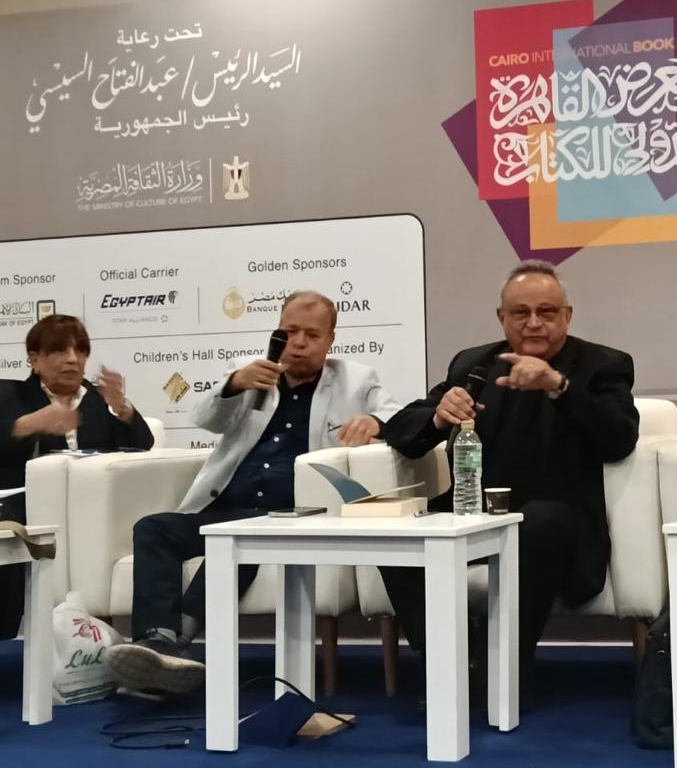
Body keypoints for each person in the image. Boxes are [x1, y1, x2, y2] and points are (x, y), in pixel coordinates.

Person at [104, 290, 401, 698]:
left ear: (331, 339)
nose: (298, 342)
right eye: (289, 331)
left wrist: (374, 422)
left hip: (292, 515)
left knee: (237, 539)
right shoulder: (250, 373)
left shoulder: (356, 379)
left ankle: (172, 646)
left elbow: (397, 414)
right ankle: (157, 639)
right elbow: (205, 420)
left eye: (311, 335)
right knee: (153, 529)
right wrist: (232, 386)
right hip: (225, 505)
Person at [378, 260, 639, 679]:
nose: (534, 323)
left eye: (547, 312)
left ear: (567, 316)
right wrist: (439, 416)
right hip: (473, 515)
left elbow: (619, 438)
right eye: (521, 313)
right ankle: (452, 665)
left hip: (558, 522)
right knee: (397, 533)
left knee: (537, 522)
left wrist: (558, 386)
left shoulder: (603, 365)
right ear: (502, 317)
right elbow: (404, 433)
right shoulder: (474, 363)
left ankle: (503, 671)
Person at [0, 314, 155, 639]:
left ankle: (136, 640)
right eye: (60, 350)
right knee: (12, 529)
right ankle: (6, 639)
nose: (73, 359)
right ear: (34, 359)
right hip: (24, 505)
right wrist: (28, 424)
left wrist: (122, 409)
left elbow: (142, 445)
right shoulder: (9, 395)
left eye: (81, 351)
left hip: (91, 511)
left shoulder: (99, 400)